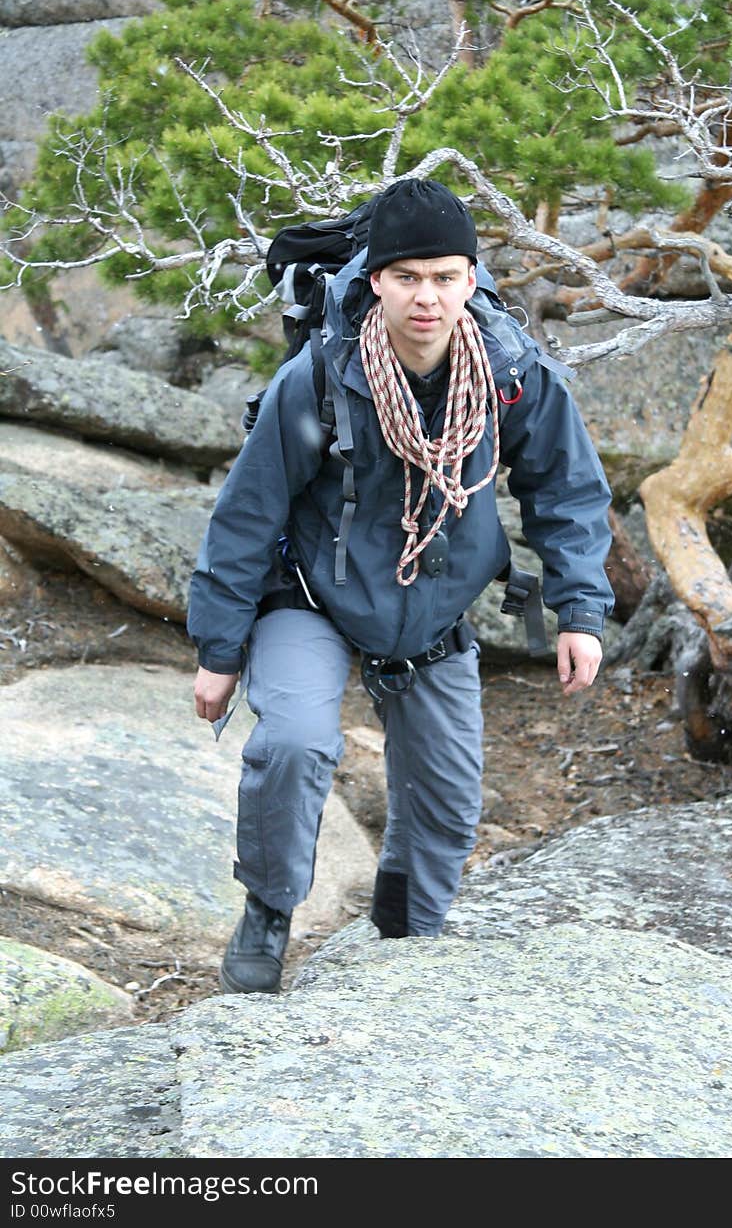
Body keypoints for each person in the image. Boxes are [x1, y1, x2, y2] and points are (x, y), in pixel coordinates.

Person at [188, 177, 614, 994]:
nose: (428, 298)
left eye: (446, 277)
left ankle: (405, 935)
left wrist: (581, 610)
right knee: (294, 743)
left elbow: (566, 488)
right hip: (313, 594)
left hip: (434, 605)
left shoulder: (510, 372)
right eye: (408, 276)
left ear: (470, 280)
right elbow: (246, 515)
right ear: (376, 279)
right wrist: (219, 649)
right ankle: (268, 913)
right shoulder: (322, 375)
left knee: (449, 803)